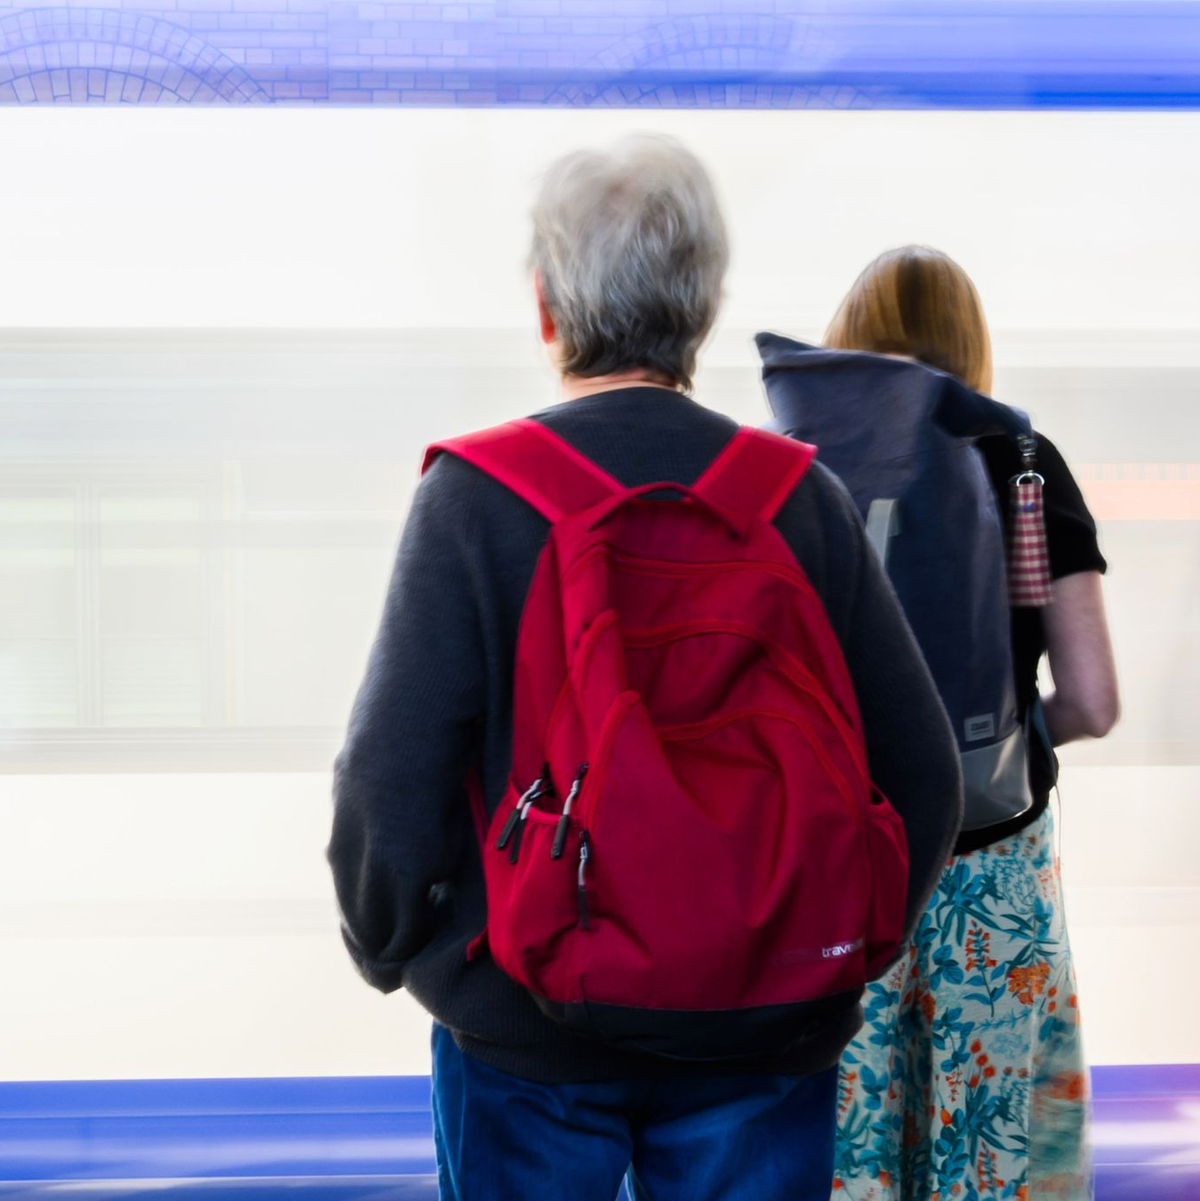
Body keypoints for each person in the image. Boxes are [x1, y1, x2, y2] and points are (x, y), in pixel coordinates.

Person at [327, 141, 962, 1201]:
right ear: (705, 306)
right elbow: (924, 778)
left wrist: (400, 949)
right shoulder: (799, 499)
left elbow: (387, 781)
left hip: (524, 1027)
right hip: (761, 1030)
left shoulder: (476, 498)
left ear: (545, 306)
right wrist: (825, 946)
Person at [806, 246, 1119, 1200]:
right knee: (995, 1151)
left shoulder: (808, 474)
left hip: (852, 868)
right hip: (995, 869)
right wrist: (1010, 742)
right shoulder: (1023, 467)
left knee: (854, 1144)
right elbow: (1094, 701)